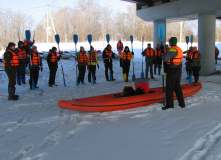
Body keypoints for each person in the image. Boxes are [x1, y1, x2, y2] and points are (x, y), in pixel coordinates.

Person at [161, 37, 185, 110]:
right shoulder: (179, 49)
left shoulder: (172, 49)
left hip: (172, 70)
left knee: (169, 87)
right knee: (177, 87)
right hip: (178, 70)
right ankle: (182, 103)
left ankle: (170, 105)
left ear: (171, 43)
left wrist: (162, 53)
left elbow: (165, 58)